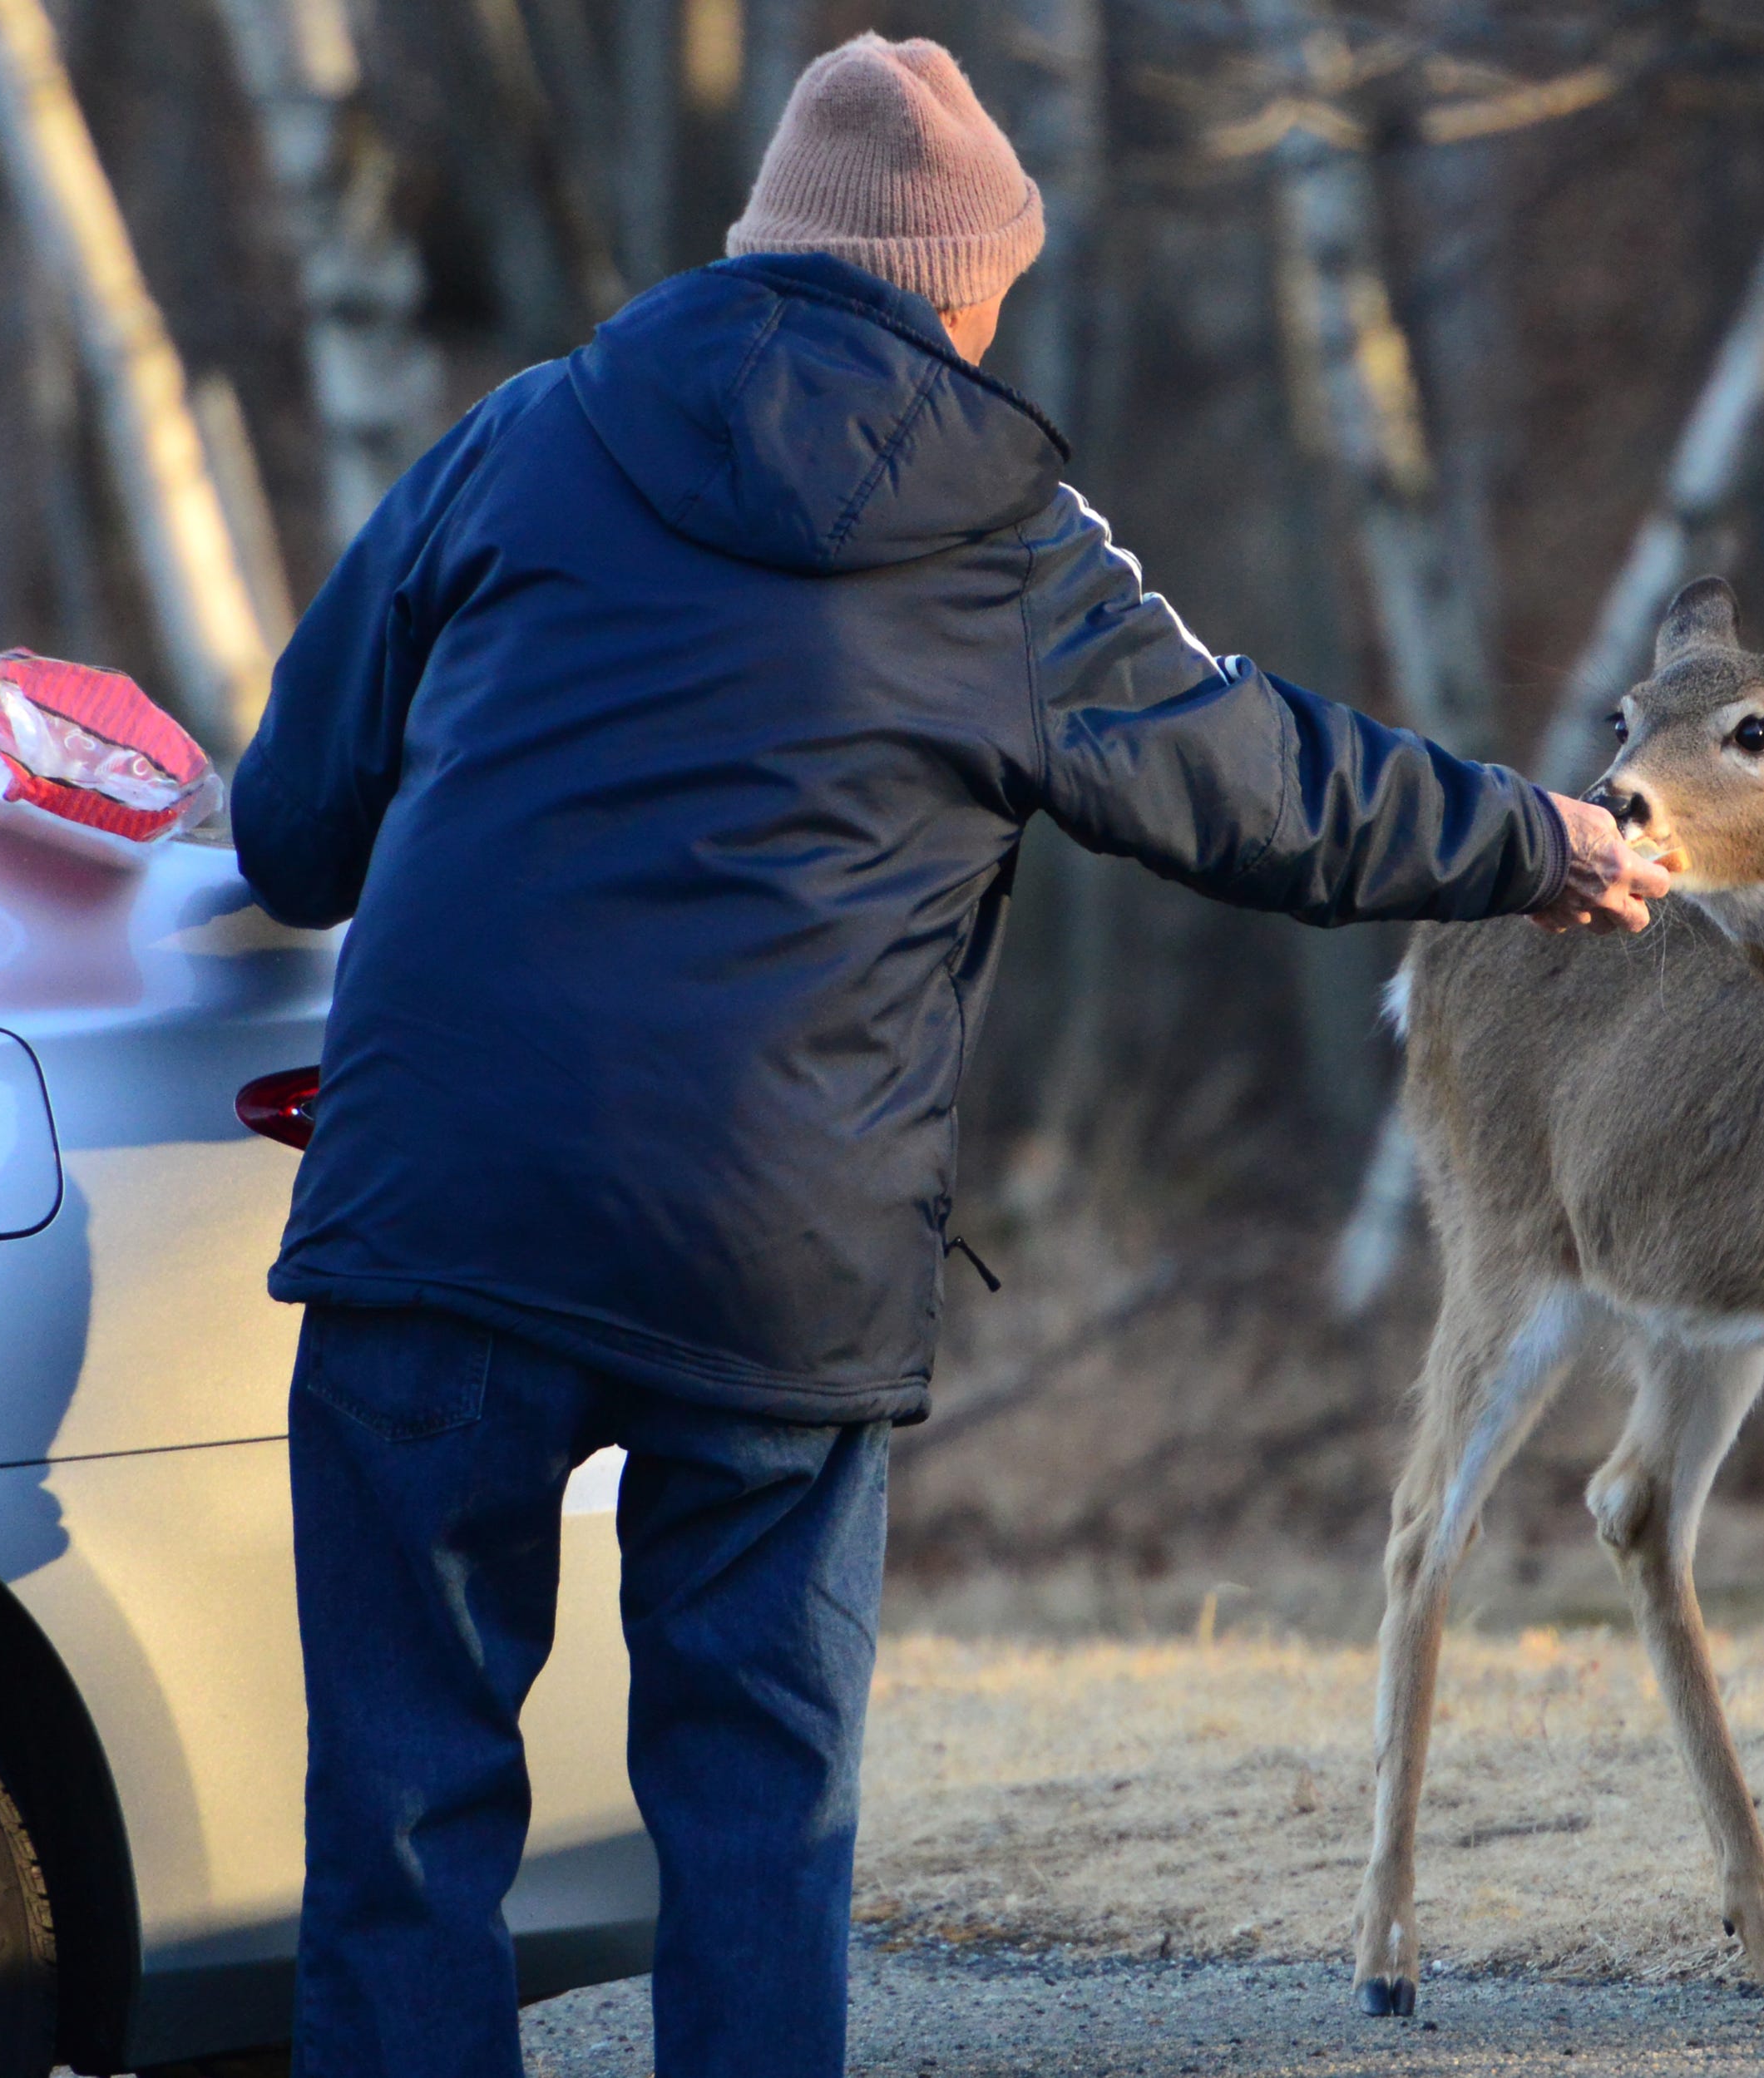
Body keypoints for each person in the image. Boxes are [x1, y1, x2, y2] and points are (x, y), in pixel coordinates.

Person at [229, 33, 1668, 2078]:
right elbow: (1267, 786)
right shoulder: (1010, 540)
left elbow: (290, 825)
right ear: (966, 287)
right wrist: (1529, 837)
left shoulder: (523, 435)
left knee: (401, 1820)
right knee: (755, 1820)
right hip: (770, 1253)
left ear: (767, 252)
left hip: (436, 1216)